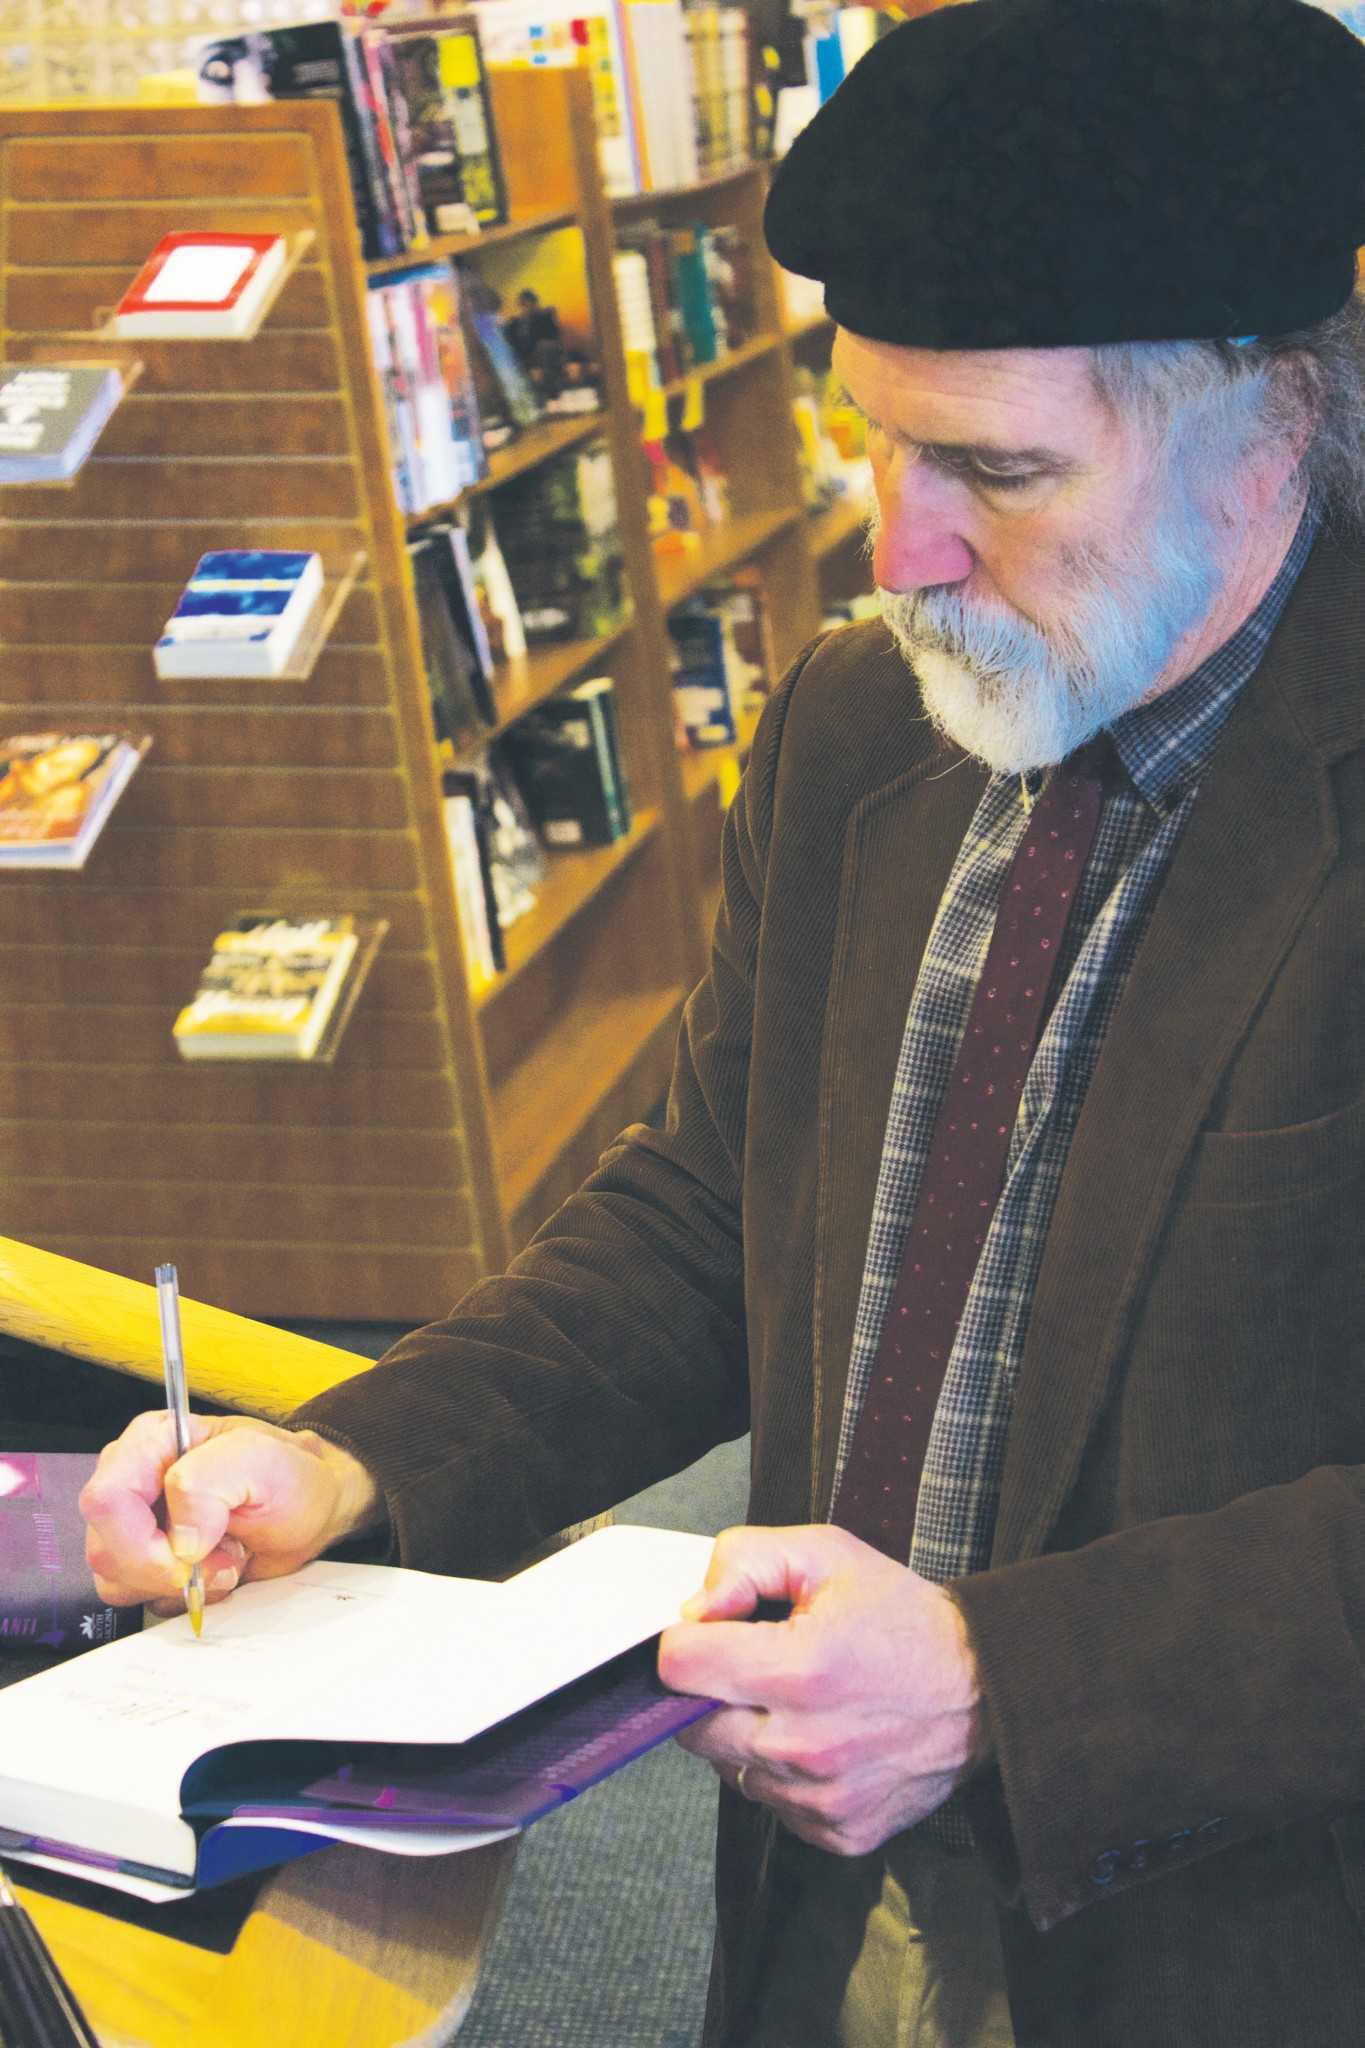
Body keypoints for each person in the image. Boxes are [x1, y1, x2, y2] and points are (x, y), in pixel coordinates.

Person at [80, 2, 1365, 2041]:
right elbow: (706, 1208)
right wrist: (344, 1456)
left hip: (1235, 1931)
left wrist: (1004, 1684)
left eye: (992, 468)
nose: (894, 548)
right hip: (827, 1891)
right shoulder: (868, 729)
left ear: (1274, 415)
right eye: (875, 437)